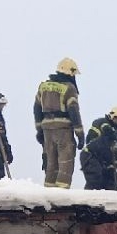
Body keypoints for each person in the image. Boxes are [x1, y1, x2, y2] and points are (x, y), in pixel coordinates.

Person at [33, 57, 84, 188]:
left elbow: (37, 109)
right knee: (65, 163)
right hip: (63, 129)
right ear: (70, 73)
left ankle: (49, 195)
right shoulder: (69, 88)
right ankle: (61, 197)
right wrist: (80, 134)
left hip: (47, 130)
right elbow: (73, 111)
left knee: (50, 163)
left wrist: (39, 130)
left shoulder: (43, 87)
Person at [81, 106, 117, 190]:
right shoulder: (105, 125)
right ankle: (86, 199)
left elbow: (112, 161)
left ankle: (109, 197)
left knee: (110, 178)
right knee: (95, 177)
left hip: (98, 157)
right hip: (90, 154)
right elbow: (107, 132)